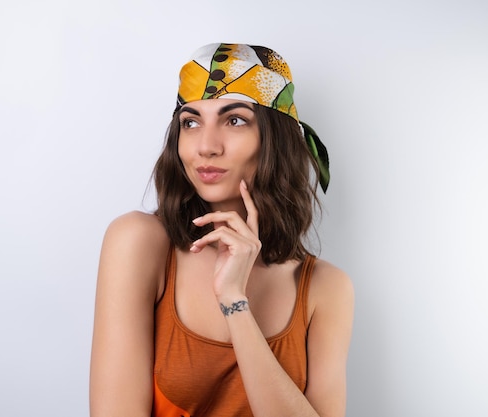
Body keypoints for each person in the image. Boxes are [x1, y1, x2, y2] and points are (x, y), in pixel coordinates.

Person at [89, 42, 355, 417]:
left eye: (234, 120)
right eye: (191, 122)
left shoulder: (326, 288)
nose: (206, 146)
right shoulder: (139, 242)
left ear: (274, 138)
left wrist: (234, 301)